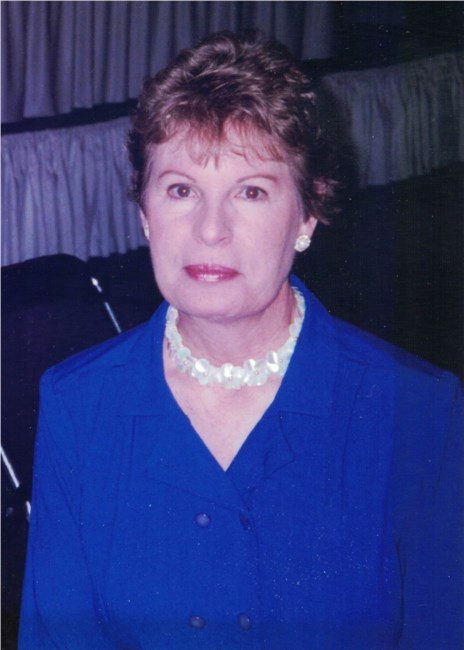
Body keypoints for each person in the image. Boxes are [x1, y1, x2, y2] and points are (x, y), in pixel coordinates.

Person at [19, 30, 463, 649]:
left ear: (308, 213)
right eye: (181, 190)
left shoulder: (417, 409)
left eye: (251, 191)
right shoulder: (77, 402)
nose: (211, 230)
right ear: (145, 213)